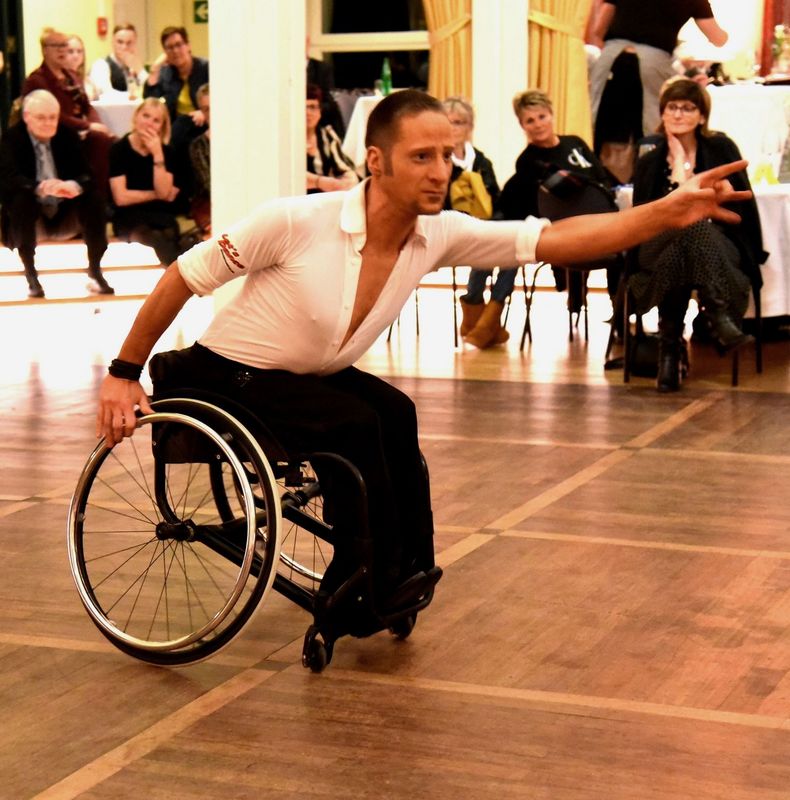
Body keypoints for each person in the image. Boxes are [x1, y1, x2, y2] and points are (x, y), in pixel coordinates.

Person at [95, 89, 752, 611]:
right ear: (376, 161)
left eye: (447, 154)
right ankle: (359, 578)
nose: (441, 171)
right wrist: (124, 372)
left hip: (309, 375)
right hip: (226, 374)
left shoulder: (438, 233)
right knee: (353, 422)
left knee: (395, 412)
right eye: (421, 157)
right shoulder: (295, 221)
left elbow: (555, 238)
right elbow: (184, 276)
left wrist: (665, 213)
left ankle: (407, 567)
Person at [629, 78, 765, 392]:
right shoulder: (650, 160)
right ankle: (717, 315)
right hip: (655, 245)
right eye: (672, 107)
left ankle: (669, 354)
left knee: (688, 237)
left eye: (688, 108)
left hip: (717, 243)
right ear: (663, 113)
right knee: (687, 222)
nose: (678, 114)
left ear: (702, 116)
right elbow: (643, 217)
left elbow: (740, 204)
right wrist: (678, 163)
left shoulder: (721, 149)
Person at [499, 90, 615, 317]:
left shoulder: (575, 142)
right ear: (522, 125)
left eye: (542, 116)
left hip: (601, 219)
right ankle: (574, 291)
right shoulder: (528, 161)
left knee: (625, 241)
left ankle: (620, 312)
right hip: (563, 228)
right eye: (530, 120)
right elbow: (551, 201)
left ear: (551, 115)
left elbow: (601, 177)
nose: (538, 124)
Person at [0, 90, 113, 297]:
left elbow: (88, 176)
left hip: (64, 214)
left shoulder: (67, 135)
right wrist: (39, 187)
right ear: (27, 117)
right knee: (22, 200)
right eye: (41, 118)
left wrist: (73, 185)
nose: (48, 123)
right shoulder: (11, 139)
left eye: (53, 117)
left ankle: (95, 270)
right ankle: (31, 274)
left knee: (94, 199)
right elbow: (8, 181)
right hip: (30, 218)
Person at [588, 1, 729, 139]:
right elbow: (718, 38)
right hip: (653, 60)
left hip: (611, 56)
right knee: (653, 123)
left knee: (594, 117)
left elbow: (598, 28)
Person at [441, 96, 509, 349]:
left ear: (469, 126)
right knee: (488, 244)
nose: (453, 128)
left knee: (512, 251)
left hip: (485, 226)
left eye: (459, 122)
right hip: (452, 227)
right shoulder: (439, 159)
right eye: (448, 122)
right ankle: (485, 322)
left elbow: (496, 198)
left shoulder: (481, 161)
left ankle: (484, 319)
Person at [22, 28, 113, 199]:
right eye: (56, 46)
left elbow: (87, 106)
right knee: (98, 140)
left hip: (78, 130)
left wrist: (96, 124)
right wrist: (88, 126)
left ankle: (107, 198)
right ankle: (95, 199)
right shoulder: (37, 80)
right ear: (45, 50)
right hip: (55, 132)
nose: (62, 50)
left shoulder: (71, 75)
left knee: (111, 141)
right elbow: (56, 116)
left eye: (64, 45)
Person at [109, 97, 186, 267]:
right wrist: (156, 195)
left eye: (156, 120)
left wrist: (157, 154)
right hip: (129, 217)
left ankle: (179, 275)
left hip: (160, 215)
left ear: (162, 127)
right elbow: (121, 198)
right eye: (146, 116)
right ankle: (181, 274)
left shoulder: (166, 152)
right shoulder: (119, 149)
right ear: (136, 117)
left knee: (168, 232)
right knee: (157, 238)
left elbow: (164, 193)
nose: (149, 123)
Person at [144, 26, 209, 151]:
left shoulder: (206, 68)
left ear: (188, 46)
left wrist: (205, 111)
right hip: (178, 128)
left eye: (179, 45)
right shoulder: (166, 73)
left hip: (203, 124)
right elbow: (151, 104)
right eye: (170, 47)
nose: (175, 51)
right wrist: (155, 69)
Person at [306, 84, 359, 193]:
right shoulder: (289, 141)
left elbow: (343, 167)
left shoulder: (327, 134)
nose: (308, 113)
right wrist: (320, 182)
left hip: (325, 197)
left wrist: (350, 179)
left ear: (320, 111)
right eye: (303, 108)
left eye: (313, 107)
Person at [89, 22, 148, 97]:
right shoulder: (101, 65)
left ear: (135, 44)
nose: (124, 47)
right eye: (120, 42)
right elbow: (106, 94)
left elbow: (151, 92)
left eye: (129, 43)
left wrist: (140, 70)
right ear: (112, 42)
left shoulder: (136, 68)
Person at [188, 83, 211, 236]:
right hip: (209, 203)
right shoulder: (198, 145)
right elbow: (209, 184)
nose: (212, 113)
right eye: (206, 109)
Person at [65, 35, 98, 101]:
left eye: (79, 51)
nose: (76, 55)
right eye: (70, 51)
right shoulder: (61, 80)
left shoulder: (88, 81)